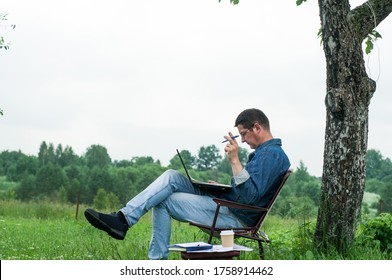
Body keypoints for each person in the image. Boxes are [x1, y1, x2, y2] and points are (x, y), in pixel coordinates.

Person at [84, 108, 290, 259]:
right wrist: (221, 186)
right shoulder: (265, 154)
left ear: (257, 127)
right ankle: (123, 218)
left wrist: (235, 161)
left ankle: (155, 262)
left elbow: (251, 198)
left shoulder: (271, 155)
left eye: (244, 134)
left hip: (235, 216)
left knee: (163, 200)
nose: (243, 140)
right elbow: (248, 188)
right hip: (227, 202)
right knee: (172, 176)